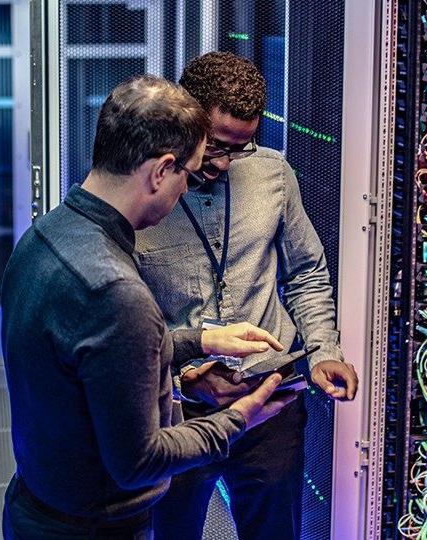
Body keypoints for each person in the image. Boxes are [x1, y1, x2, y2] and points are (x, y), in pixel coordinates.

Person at [0, 75, 296, 540]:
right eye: (187, 173)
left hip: (35, 505)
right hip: (96, 528)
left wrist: (196, 341)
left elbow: (88, 355)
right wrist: (241, 418)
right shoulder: (116, 291)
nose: (187, 191)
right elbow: (142, 461)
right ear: (161, 171)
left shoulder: (44, 236)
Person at [136, 53, 359, 540]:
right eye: (216, 146)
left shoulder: (273, 175)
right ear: (183, 119)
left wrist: (323, 351)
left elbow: (306, 271)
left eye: (242, 147)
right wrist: (183, 375)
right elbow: (122, 317)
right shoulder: (139, 190)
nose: (224, 163)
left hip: (270, 400)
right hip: (177, 413)